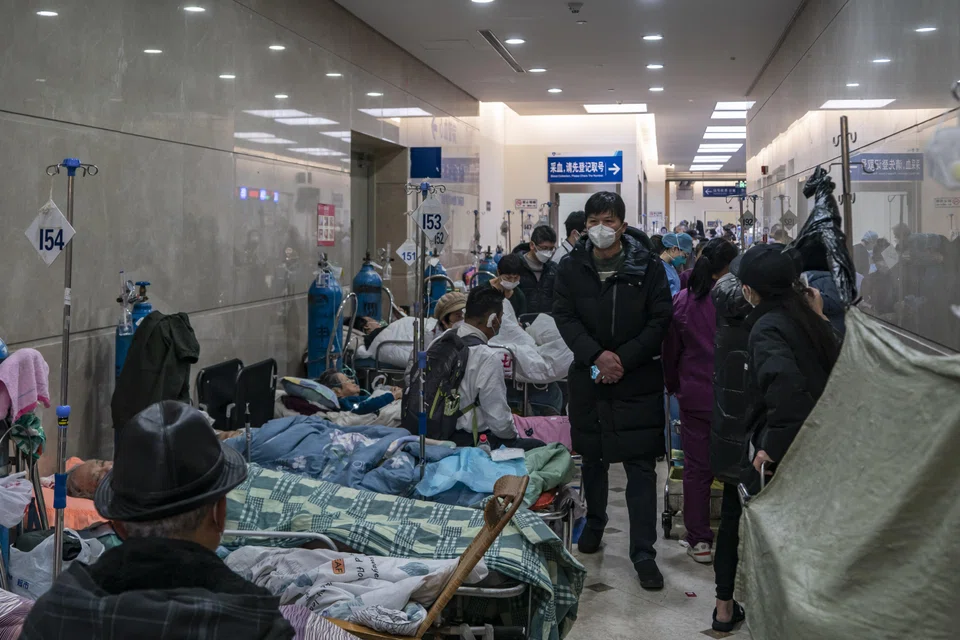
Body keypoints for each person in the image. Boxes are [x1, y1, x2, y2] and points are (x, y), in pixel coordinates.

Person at [22, 401, 293, 639]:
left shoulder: (53, 617)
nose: (103, 467)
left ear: (117, 524)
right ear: (219, 514)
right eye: (97, 473)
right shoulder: (257, 624)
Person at [553, 191, 673, 590]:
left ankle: (643, 551)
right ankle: (596, 523)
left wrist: (621, 360)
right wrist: (595, 357)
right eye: (592, 222)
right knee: (593, 458)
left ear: (622, 224)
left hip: (635, 378)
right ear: (584, 227)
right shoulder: (571, 267)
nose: (599, 229)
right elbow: (565, 317)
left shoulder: (648, 266)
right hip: (589, 376)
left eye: (607, 221)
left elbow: (660, 320)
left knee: (640, 468)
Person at [739, 244, 841, 493]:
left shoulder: (767, 329)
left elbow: (787, 391)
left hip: (786, 456)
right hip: (822, 443)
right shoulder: (807, 318)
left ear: (749, 292)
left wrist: (772, 447)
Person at [662, 238, 739, 566]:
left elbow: (670, 351)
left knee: (696, 469)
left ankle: (700, 540)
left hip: (695, 397)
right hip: (736, 398)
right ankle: (737, 536)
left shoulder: (684, 301)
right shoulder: (740, 301)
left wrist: (674, 385)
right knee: (737, 469)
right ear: (729, 268)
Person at [709, 254, 755, 632]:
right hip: (766, 445)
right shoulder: (774, 326)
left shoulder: (724, 315)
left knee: (729, 520)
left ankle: (723, 608)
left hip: (727, 434)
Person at [449, 286, 545, 451]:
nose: (500, 323)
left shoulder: (441, 340)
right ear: (493, 320)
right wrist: (513, 436)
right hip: (466, 439)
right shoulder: (487, 357)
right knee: (540, 447)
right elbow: (499, 421)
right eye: (501, 318)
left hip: (431, 430)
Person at [796, 240, 846, 336]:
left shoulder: (828, 279)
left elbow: (834, 303)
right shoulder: (833, 278)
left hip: (827, 333)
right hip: (829, 334)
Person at [512, 225, 559, 315]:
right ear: (532, 245)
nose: (548, 252)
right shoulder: (515, 266)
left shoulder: (554, 269)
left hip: (547, 322)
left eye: (551, 248)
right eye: (544, 248)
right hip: (520, 322)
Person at [317, 369, 401, 414]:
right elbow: (363, 407)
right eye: (347, 380)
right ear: (337, 391)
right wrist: (392, 396)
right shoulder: (344, 403)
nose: (353, 380)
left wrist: (390, 392)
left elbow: (370, 400)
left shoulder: (356, 399)